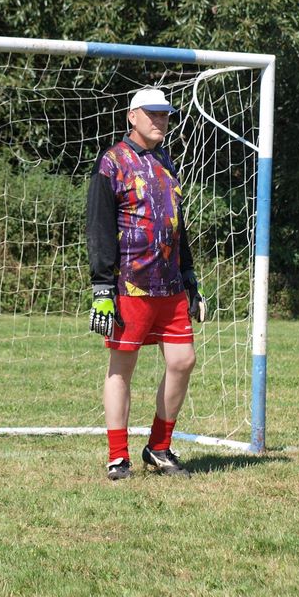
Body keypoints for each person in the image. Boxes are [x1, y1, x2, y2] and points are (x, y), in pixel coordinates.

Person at [86, 87, 206, 481]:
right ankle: (118, 457)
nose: (160, 120)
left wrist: (189, 275)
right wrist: (102, 288)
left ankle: (158, 446)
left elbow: (176, 224)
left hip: (170, 287)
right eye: (152, 113)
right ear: (132, 116)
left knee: (183, 361)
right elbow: (99, 227)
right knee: (122, 367)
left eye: (165, 114)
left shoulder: (165, 161)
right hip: (129, 287)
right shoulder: (112, 162)